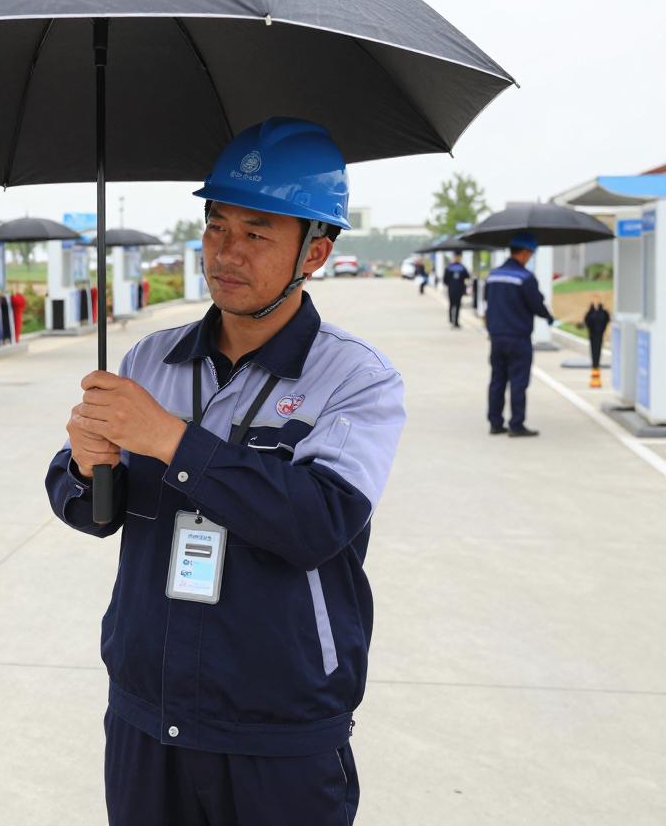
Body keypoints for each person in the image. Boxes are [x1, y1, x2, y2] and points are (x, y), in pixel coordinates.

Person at [45, 118, 406, 825]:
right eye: (216, 226)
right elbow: (92, 511)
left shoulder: (356, 380)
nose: (226, 252)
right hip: (147, 714)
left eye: (256, 232)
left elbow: (316, 523)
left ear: (316, 252)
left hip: (279, 728)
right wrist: (86, 470)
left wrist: (172, 441)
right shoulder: (152, 361)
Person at [484, 233, 554, 437]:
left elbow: (488, 301)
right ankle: (516, 425)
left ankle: (495, 423)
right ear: (524, 253)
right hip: (518, 338)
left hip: (497, 337)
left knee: (497, 380)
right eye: (530, 254)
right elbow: (537, 305)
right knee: (518, 381)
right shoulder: (525, 278)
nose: (529, 258)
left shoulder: (493, 275)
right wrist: (548, 316)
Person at [443, 250, 470, 328]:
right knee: (454, 305)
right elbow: (467, 277)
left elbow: (445, 280)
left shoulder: (449, 267)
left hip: (453, 289)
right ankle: (453, 320)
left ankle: (454, 320)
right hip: (458, 289)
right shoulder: (462, 268)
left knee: (454, 305)